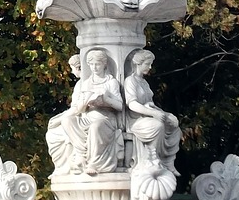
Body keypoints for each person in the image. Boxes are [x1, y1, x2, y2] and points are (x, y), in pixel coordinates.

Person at [46, 48, 126, 176]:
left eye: (97, 64)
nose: (94, 67)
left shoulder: (111, 82)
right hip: (88, 116)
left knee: (96, 126)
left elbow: (120, 106)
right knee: (67, 121)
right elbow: (78, 107)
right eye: (92, 64)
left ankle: (94, 162)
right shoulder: (86, 83)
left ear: (104, 64)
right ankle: (81, 153)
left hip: (105, 118)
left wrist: (106, 100)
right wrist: (84, 104)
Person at [123, 48, 180, 174]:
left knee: (174, 126)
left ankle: (168, 162)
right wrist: (154, 113)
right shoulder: (130, 81)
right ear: (138, 63)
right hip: (135, 120)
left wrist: (165, 114)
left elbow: (150, 104)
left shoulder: (144, 82)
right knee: (157, 126)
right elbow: (132, 104)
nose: (150, 67)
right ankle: (151, 159)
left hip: (147, 116)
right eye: (147, 64)